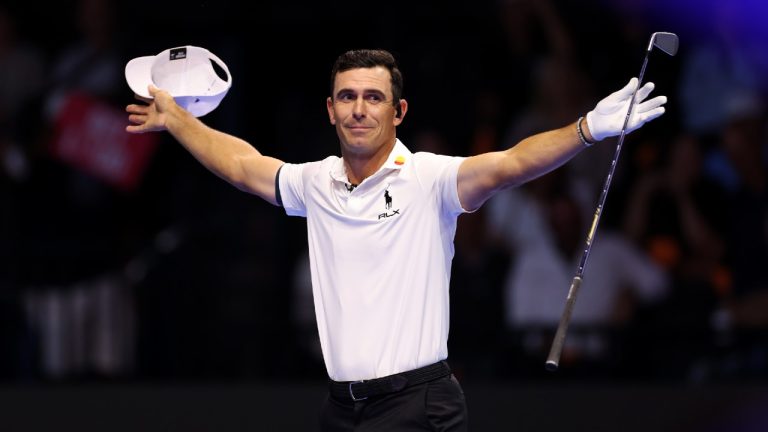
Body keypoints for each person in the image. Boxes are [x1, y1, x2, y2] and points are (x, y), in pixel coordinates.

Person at [125, 49, 667, 431]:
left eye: (373, 97)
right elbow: (243, 165)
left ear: (398, 110)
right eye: (347, 96)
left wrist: (587, 129)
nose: (359, 108)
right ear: (331, 109)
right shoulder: (315, 182)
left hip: (417, 405)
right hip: (342, 408)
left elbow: (511, 163)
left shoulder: (430, 179)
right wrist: (176, 120)